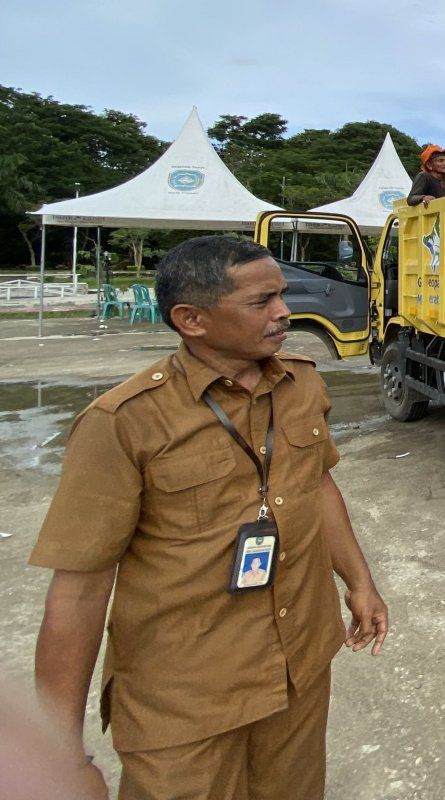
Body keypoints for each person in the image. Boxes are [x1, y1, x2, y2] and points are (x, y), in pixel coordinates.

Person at [30, 236, 389, 799]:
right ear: (190, 319)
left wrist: (360, 583)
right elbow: (77, 593)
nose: (284, 312)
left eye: (282, 296)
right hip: (185, 698)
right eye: (261, 301)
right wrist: (60, 755)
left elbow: (317, 484)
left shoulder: (302, 384)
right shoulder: (123, 423)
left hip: (299, 668)